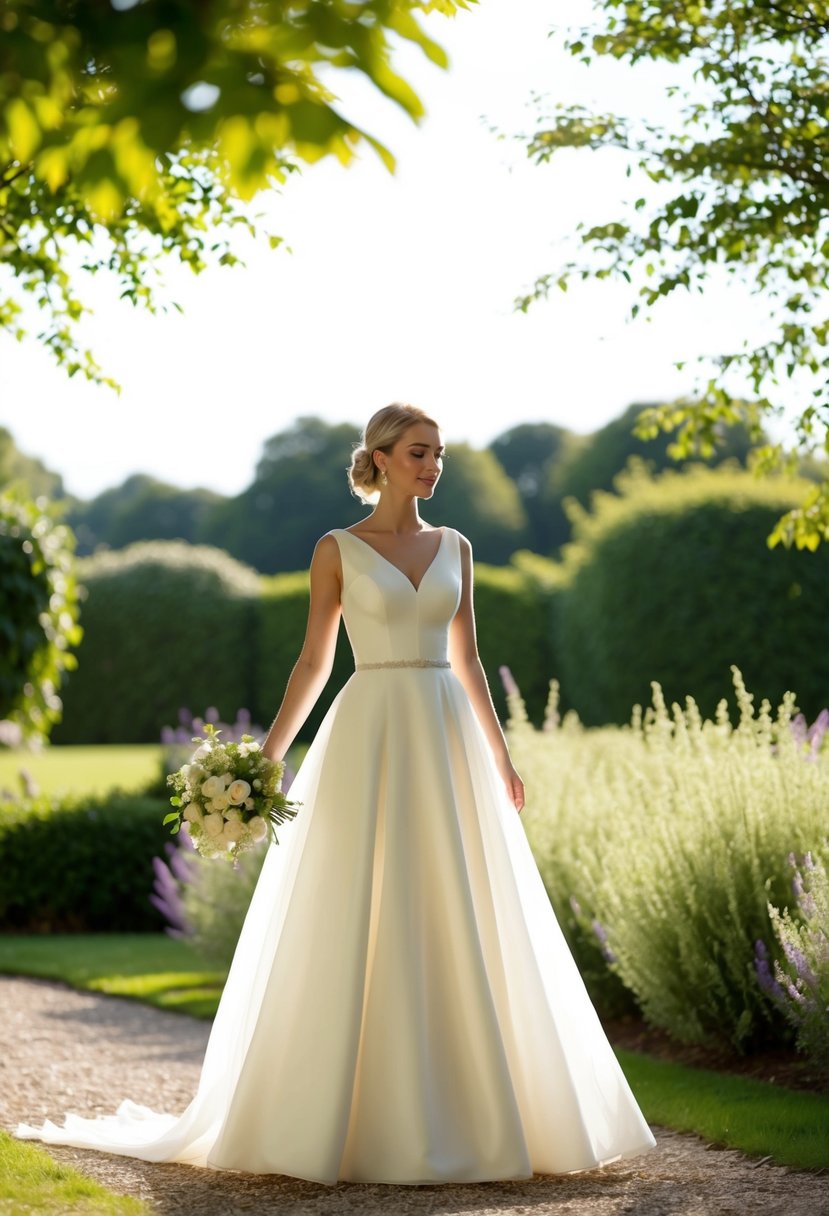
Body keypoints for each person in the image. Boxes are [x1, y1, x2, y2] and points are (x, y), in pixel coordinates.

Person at [16, 403, 656, 1184]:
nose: (433, 466)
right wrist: (268, 759)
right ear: (380, 458)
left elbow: (470, 660)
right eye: (419, 452)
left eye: (439, 454)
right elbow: (315, 662)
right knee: (365, 901)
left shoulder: (456, 546)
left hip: (447, 733)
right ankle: (351, 1117)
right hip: (371, 730)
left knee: (462, 904)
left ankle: (483, 1113)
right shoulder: (337, 550)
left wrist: (501, 754)